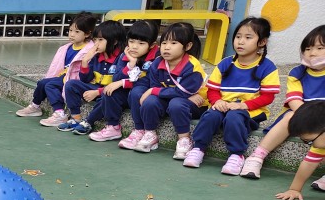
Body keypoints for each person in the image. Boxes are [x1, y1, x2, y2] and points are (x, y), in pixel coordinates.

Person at [182, 17, 278, 174]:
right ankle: (198, 148)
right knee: (210, 115)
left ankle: (236, 154)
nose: (240, 41)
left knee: (234, 117)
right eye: (238, 36)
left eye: (248, 37)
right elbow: (212, 90)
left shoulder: (267, 67)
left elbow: (268, 97)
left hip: (249, 112)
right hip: (224, 107)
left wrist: (242, 105)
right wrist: (217, 101)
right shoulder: (225, 63)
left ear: (262, 42)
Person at [241, 24, 325, 180]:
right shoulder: (297, 73)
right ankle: (257, 156)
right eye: (307, 49)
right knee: (290, 116)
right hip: (301, 115)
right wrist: (311, 120)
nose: (312, 53)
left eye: (320, 48)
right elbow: (294, 101)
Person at [119, 22, 208, 154]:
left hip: (194, 103)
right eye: (164, 42)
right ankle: (150, 134)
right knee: (150, 101)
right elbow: (155, 86)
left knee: (176, 103)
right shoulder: (158, 62)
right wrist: (153, 91)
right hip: (171, 99)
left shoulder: (192, 66)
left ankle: (184, 139)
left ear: (188, 46)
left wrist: (153, 91)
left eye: (173, 43)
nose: (167, 47)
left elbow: (183, 92)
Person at [14, 11, 97, 125]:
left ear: (87, 34)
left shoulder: (90, 50)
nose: (72, 34)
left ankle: (59, 113)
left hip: (74, 80)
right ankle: (35, 106)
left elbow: (87, 73)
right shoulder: (66, 48)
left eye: (77, 32)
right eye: (70, 30)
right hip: (62, 77)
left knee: (50, 85)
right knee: (42, 83)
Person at [83, 20, 159, 142]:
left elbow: (150, 81)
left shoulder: (157, 57)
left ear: (151, 45)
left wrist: (123, 83)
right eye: (131, 41)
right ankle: (113, 127)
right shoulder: (125, 54)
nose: (134, 46)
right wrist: (130, 64)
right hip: (127, 94)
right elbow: (116, 78)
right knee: (109, 91)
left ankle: (139, 129)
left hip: (145, 94)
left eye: (141, 43)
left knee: (136, 91)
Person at [58, 19, 127, 133]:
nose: (96, 44)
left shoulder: (121, 58)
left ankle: (89, 122)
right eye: (95, 40)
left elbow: (117, 84)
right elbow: (85, 79)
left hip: (112, 92)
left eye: (100, 40)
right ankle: (76, 118)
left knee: (107, 97)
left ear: (114, 41)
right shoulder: (97, 56)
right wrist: (85, 61)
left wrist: (97, 92)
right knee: (71, 84)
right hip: (96, 88)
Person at [274, 101, 325, 200]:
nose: (310, 145)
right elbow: (309, 163)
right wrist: (294, 189)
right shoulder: (320, 143)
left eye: (309, 141)